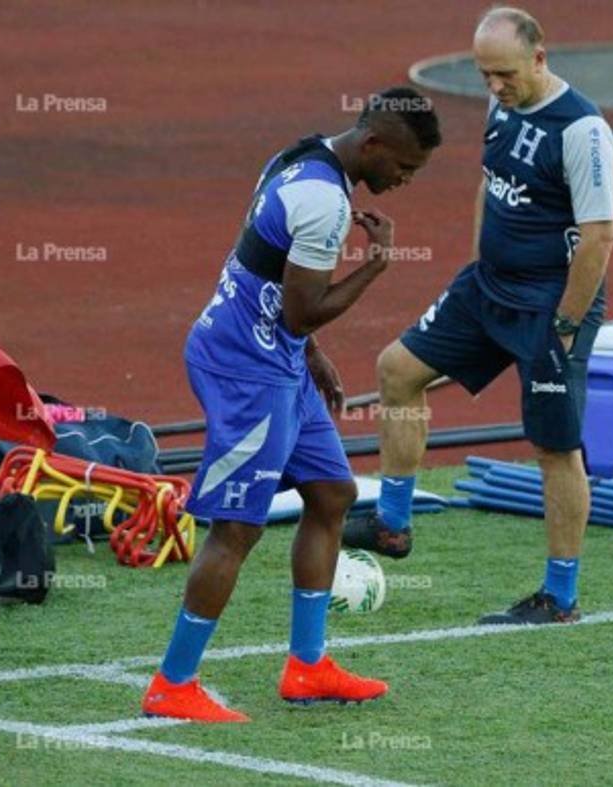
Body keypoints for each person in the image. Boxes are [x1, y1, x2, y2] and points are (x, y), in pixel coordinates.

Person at [141, 86, 441, 722]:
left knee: (332, 494)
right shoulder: (325, 202)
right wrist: (375, 266)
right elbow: (303, 309)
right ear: (374, 146)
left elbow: (264, 270)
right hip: (245, 366)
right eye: (405, 168)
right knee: (238, 528)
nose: (405, 182)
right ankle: (173, 683)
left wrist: (309, 356)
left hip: (277, 357)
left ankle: (307, 667)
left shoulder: (297, 156)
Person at [343, 7, 613, 626]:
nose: (493, 86)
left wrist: (567, 326)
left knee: (554, 447)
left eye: (504, 74)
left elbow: (600, 236)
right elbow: (489, 184)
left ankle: (560, 597)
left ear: (539, 59)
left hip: (550, 305)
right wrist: (475, 266)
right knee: (398, 370)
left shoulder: (582, 131)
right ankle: (392, 523)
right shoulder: (501, 107)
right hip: (488, 288)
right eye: (483, 73)